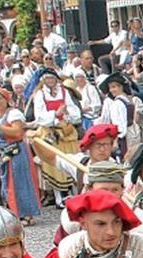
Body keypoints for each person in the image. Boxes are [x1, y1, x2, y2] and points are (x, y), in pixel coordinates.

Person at [0, 88, 39, 226]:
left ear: (6, 100)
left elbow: (17, 132)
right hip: (5, 152)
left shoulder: (13, 114)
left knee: (20, 182)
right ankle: (14, 212)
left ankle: (26, 213)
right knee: (8, 183)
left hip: (17, 151)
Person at [32, 69, 83, 208]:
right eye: (47, 79)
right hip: (50, 132)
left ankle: (74, 192)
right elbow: (39, 117)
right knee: (53, 164)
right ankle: (58, 197)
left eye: (52, 79)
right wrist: (55, 114)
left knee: (71, 160)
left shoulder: (64, 92)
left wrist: (68, 114)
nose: (50, 81)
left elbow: (76, 113)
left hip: (66, 131)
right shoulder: (40, 95)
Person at [97, 73, 139, 161]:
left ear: (121, 87)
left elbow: (119, 126)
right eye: (110, 87)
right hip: (132, 133)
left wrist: (115, 141)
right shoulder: (128, 100)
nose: (112, 90)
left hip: (123, 139)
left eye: (114, 87)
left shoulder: (117, 103)